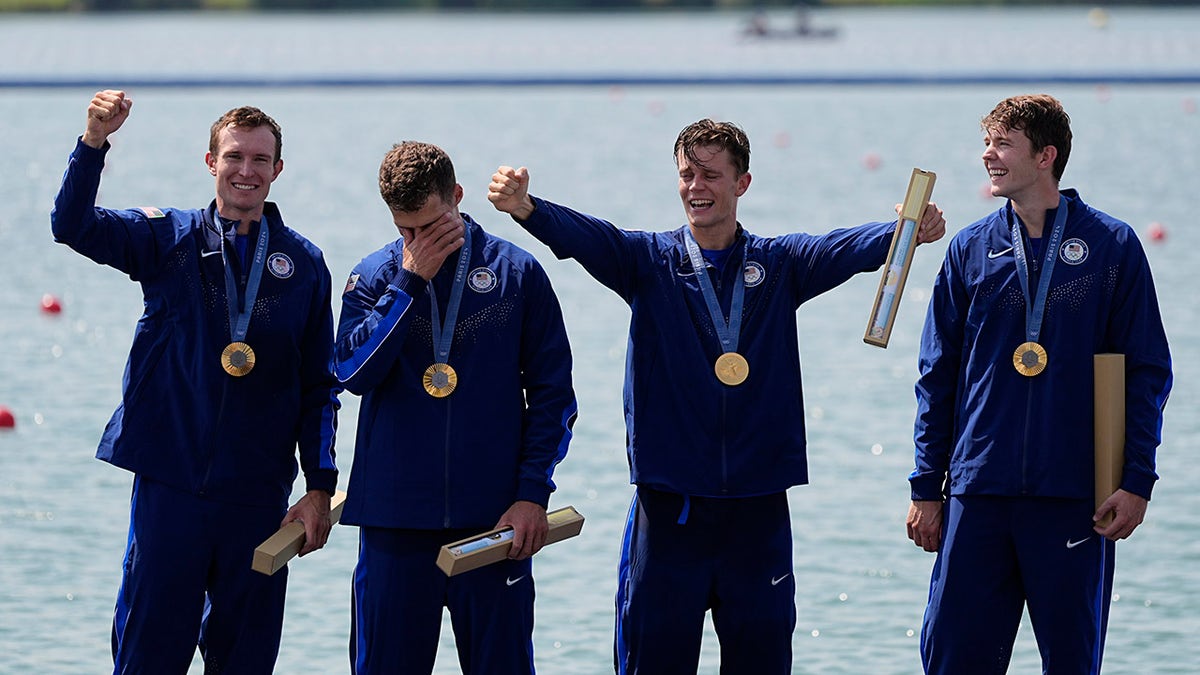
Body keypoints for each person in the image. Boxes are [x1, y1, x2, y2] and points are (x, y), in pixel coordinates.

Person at [488, 119, 945, 674]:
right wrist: (527, 208)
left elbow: (843, 248)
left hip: (757, 515)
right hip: (670, 515)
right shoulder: (648, 263)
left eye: (710, 174)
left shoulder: (780, 266)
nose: (695, 186)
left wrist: (904, 230)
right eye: (686, 174)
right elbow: (589, 236)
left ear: (742, 183)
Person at [50, 90, 340, 672]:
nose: (246, 171)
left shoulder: (303, 265)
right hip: (171, 489)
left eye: (260, 160)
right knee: (147, 657)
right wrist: (93, 144)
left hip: (257, 500)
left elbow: (318, 387)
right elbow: (71, 225)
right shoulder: (166, 239)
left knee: (245, 661)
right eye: (234, 157)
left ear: (278, 171)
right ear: (211, 162)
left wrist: (319, 487)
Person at [905, 94, 1173, 673]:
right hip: (978, 497)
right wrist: (927, 486)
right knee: (952, 661)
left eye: (1002, 144)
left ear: (1046, 155)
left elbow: (1146, 372)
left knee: (1073, 664)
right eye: (986, 144)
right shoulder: (970, 249)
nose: (987, 156)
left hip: (1076, 498)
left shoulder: (1112, 245)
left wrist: (1135, 480)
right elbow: (937, 376)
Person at [335, 141, 577, 674]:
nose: (419, 241)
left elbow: (554, 395)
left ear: (458, 198)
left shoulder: (517, 274)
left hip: (493, 525)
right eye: (406, 230)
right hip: (395, 525)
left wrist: (532, 493)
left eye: (430, 225)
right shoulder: (377, 275)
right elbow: (352, 374)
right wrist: (409, 281)